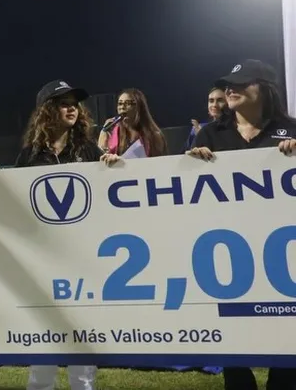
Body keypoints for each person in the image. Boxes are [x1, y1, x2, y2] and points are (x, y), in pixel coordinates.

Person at [0, 79, 105, 390]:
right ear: (47, 111)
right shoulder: (30, 155)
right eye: (64, 104)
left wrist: (113, 165)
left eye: (74, 104)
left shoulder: (90, 150)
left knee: (81, 334)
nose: (72, 109)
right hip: (43, 262)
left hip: (82, 259)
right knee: (44, 336)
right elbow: (18, 210)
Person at [186, 59, 296, 390]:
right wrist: (191, 165)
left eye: (241, 83)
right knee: (233, 335)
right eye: (228, 84)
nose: (230, 89)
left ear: (265, 89)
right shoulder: (209, 134)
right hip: (228, 255)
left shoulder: (292, 129)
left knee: (288, 337)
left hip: (284, 252)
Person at [97, 88, 167, 158]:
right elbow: (101, 158)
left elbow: (159, 161)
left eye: (128, 103)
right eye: (120, 104)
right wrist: (103, 134)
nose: (122, 107)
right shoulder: (113, 132)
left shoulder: (153, 135)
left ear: (139, 107)